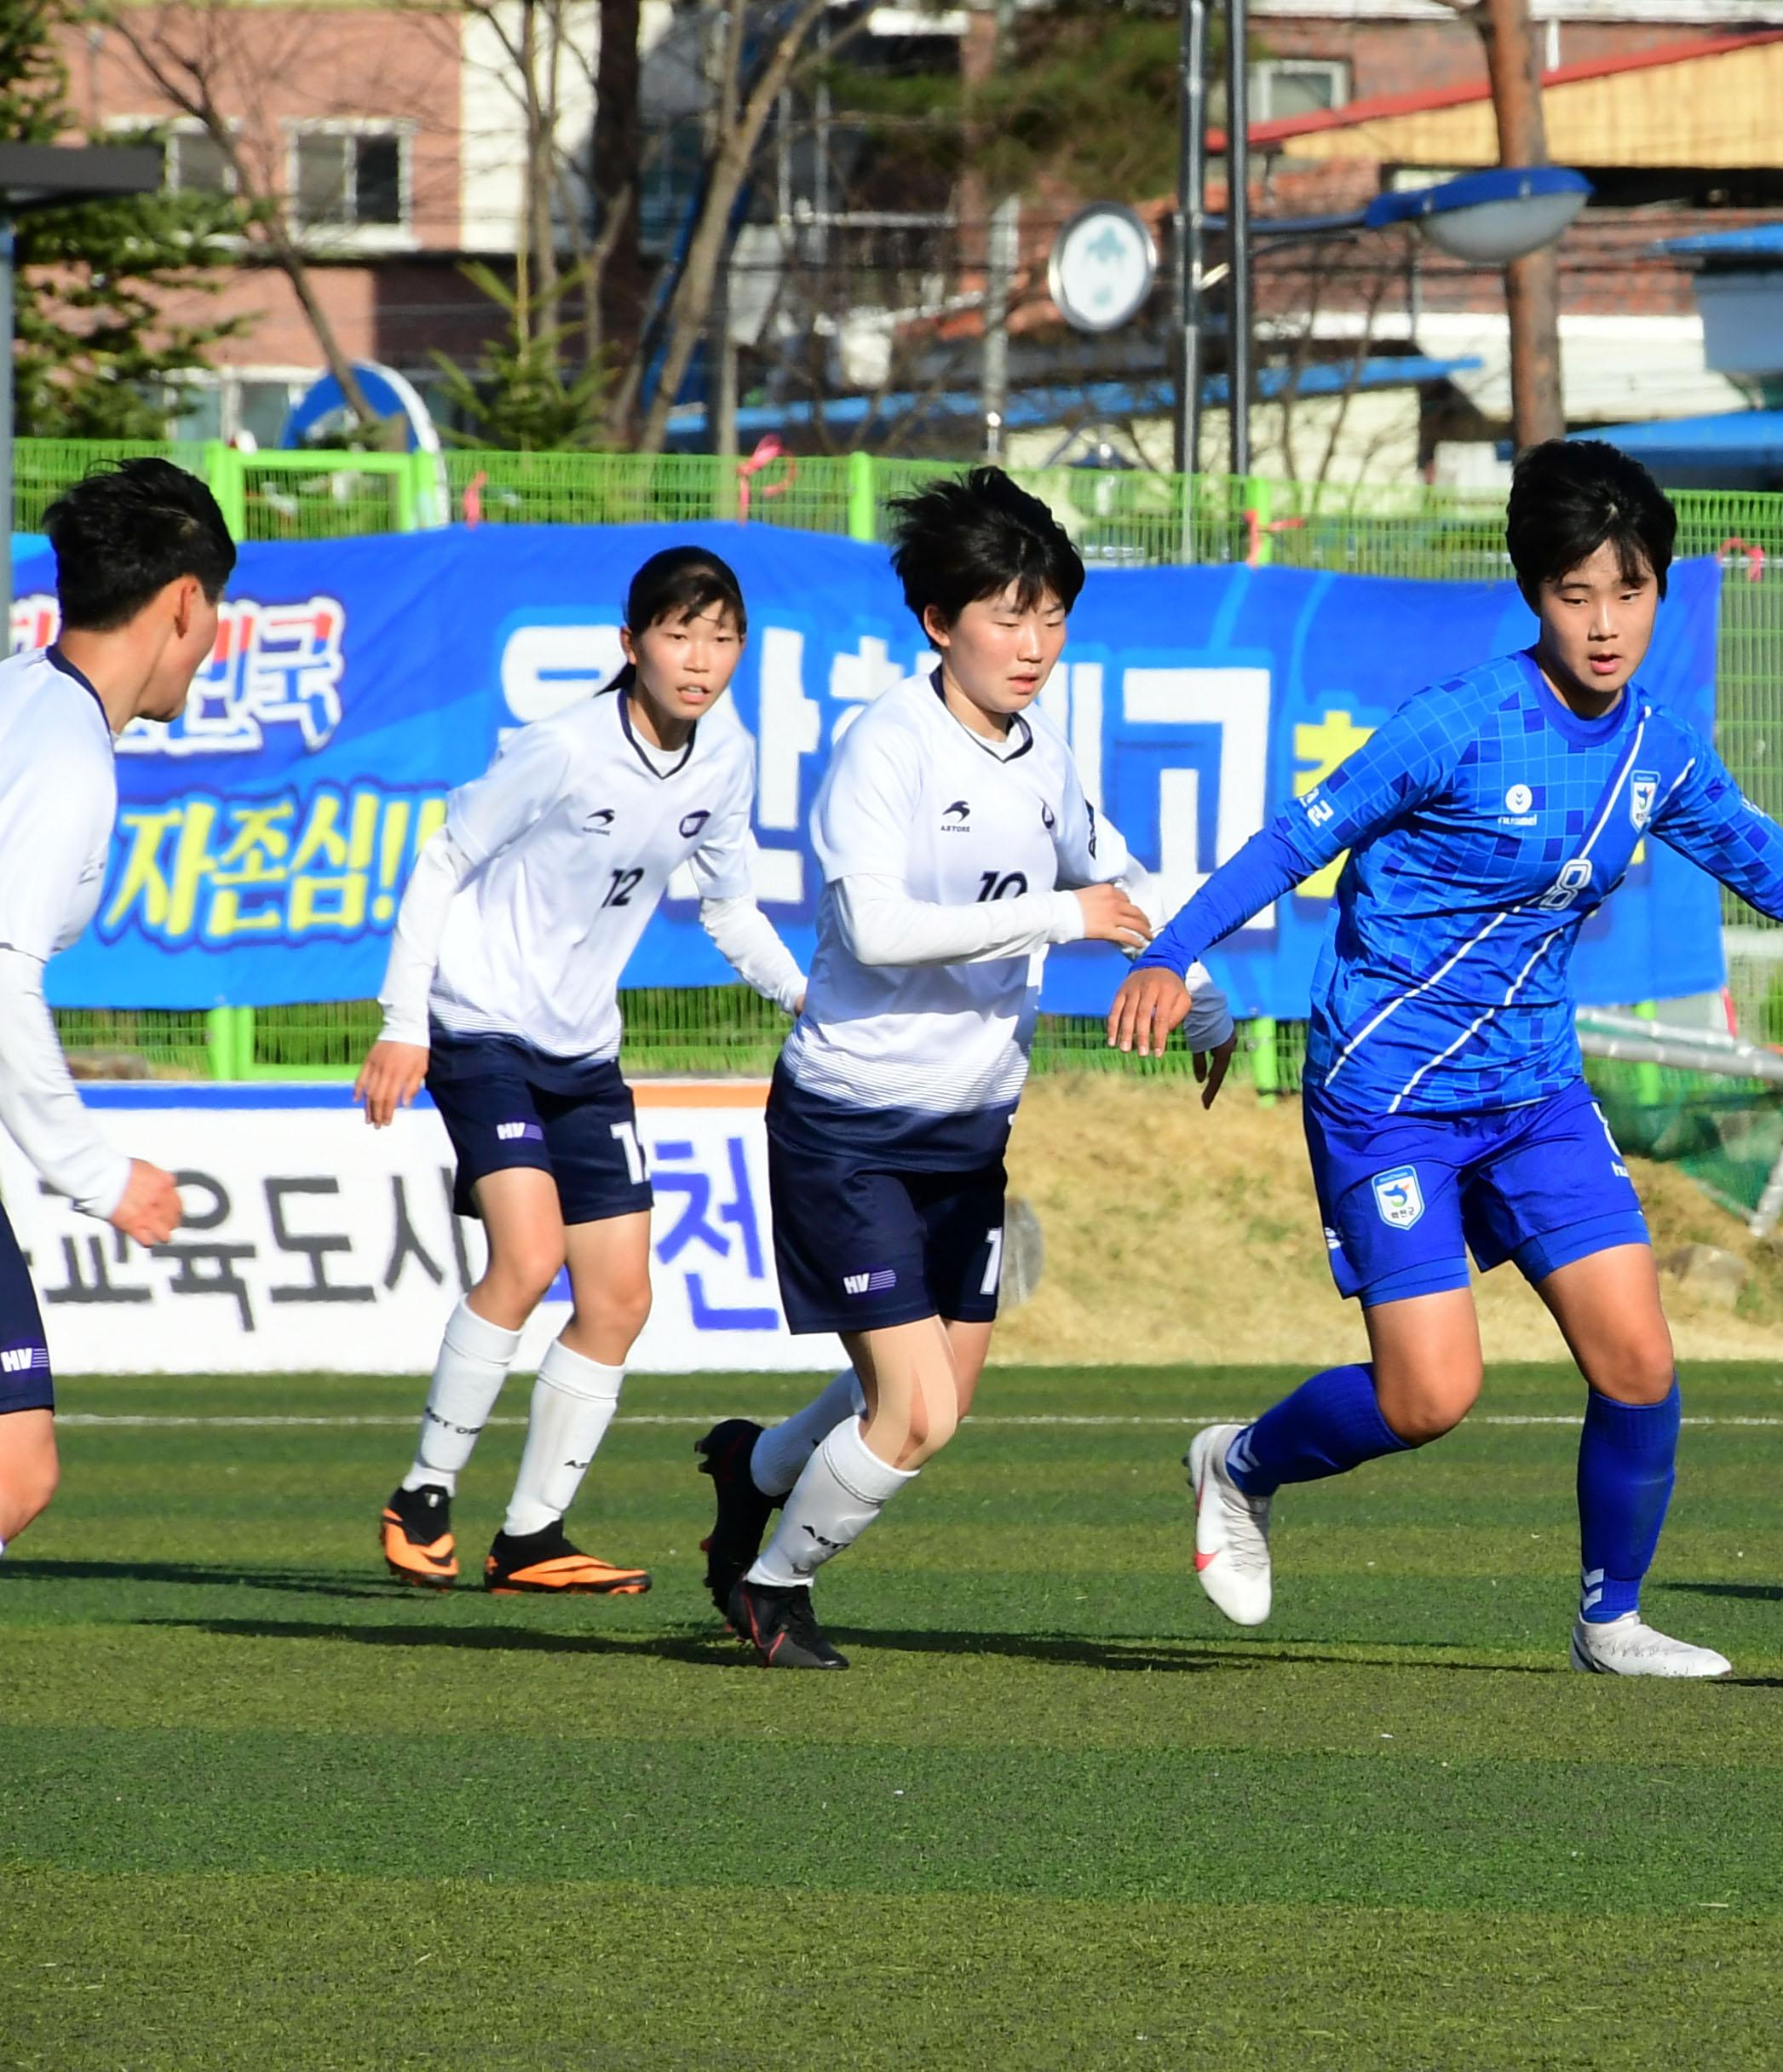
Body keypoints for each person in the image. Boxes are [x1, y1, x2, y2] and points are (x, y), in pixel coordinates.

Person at [1110, 438, 1783, 1678]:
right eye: (1574, 593)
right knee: (1430, 1397)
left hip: (1535, 1096)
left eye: (1631, 590)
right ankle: (1238, 1465)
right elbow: (1290, 841)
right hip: (1389, 1097)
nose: (1605, 624)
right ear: (1533, 593)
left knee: (1639, 1357)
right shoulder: (1457, 723)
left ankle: (1613, 1619)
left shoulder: (1656, 749)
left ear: (1659, 588)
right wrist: (1169, 954)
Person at [693, 467, 1231, 1671]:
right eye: (1007, 615)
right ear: (940, 622)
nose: (1034, 643)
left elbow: (1119, 878)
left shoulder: (1043, 748)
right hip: (849, 1128)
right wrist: (1059, 917)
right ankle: (770, 1586)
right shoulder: (885, 749)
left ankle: (753, 1467)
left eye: (1052, 616)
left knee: (929, 1396)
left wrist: (1202, 994)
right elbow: (877, 932)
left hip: (968, 1137)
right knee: (918, 1410)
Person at [359, 546, 806, 1594]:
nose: (700, 658)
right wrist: (403, 1021)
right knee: (525, 1256)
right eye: (678, 633)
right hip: (480, 1030)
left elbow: (728, 905)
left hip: (582, 1051)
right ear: (631, 643)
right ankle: (424, 1493)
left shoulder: (726, 756)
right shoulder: (562, 747)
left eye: (722, 635)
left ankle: (530, 1537)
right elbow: (441, 861)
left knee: (618, 1298)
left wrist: (806, 1000)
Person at [0, 461, 230, 1557]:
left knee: (14, 1464)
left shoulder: (22, 697)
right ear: (185, 600)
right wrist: (94, 1170)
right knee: (12, 1469)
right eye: (217, 606)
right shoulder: (65, 754)